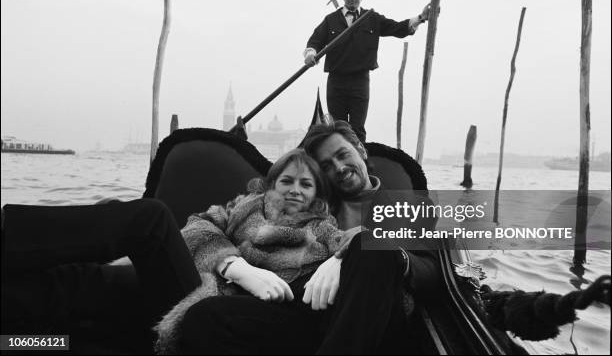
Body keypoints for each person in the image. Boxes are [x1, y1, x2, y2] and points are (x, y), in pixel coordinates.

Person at [175, 119, 440, 354]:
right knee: (204, 317)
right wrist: (238, 268)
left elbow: (431, 270)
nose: (339, 167)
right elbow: (204, 224)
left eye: (343, 154)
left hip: (373, 317)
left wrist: (365, 247)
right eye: (326, 165)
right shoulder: (307, 200)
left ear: (360, 149)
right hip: (302, 311)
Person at [155, 148, 359, 353]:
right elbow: (197, 226)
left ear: (316, 193)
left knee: (206, 316)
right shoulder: (240, 209)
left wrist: (339, 258)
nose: (295, 190)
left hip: (303, 305)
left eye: (306, 184)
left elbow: (350, 242)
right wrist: (235, 267)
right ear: (272, 184)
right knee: (203, 316)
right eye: (287, 181)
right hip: (248, 301)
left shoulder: (321, 225)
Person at [1, 199, 202, 333]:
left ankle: (6, 231)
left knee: (153, 221)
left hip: (213, 316)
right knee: (76, 281)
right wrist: (226, 262)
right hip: (207, 283)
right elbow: (206, 223)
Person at [304, 0, 432, 143]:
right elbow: (314, 43)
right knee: (337, 130)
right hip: (336, 81)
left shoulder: (372, 18)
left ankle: (360, 166)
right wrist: (311, 55)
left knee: (357, 130)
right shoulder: (330, 20)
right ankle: (338, 167)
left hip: (360, 81)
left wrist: (422, 18)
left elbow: (399, 28)